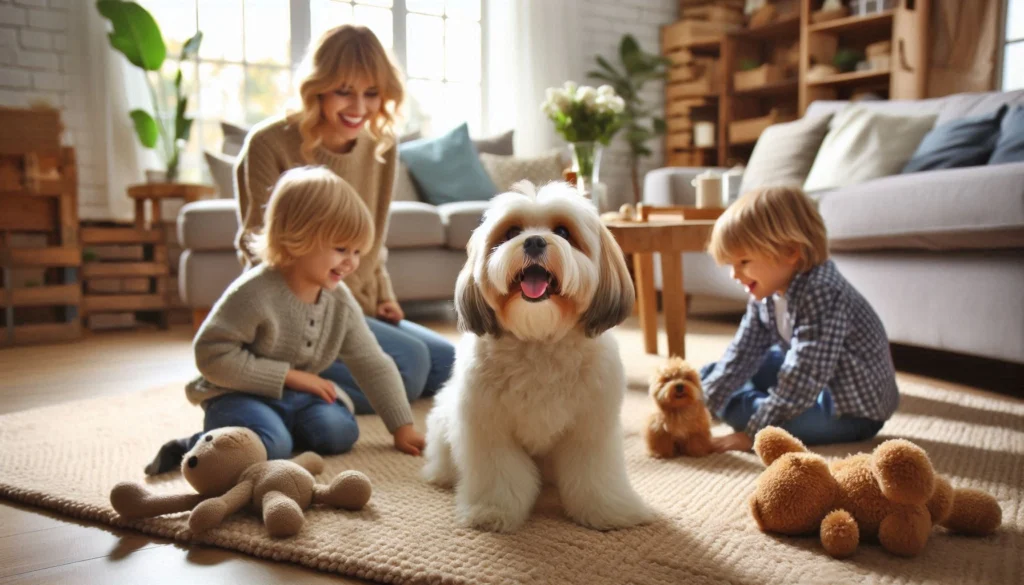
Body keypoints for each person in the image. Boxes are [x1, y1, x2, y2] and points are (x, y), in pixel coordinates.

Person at [146, 167, 425, 475]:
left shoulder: (340, 301)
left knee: (339, 432)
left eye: (357, 251)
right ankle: (194, 445)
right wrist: (291, 376)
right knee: (272, 444)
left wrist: (403, 428)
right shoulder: (254, 293)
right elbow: (210, 355)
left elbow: (373, 362)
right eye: (341, 249)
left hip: (297, 399)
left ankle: (276, 430)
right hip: (236, 393)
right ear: (297, 237)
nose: (352, 262)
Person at [234, 25, 454, 415]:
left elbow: (372, 236)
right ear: (318, 86)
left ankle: (318, 385)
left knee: (444, 364)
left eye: (371, 93)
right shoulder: (268, 143)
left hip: (358, 307)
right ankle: (284, 382)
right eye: (344, 91)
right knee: (412, 367)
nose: (359, 108)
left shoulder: (381, 148)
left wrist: (383, 292)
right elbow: (258, 247)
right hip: (298, 313)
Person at [700, 186, 899, 452]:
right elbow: (741, 353)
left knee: (746, 414)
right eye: (731, 265)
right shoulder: (766, 293)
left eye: (744, 262)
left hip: (850, 411)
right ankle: (752, 403)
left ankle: (756, 409)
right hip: (813, 382)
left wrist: (752, 434)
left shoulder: (822, 291)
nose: (734, 275)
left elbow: (804, 375)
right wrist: (701, 405)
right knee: (708, 376)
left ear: (791, 252)